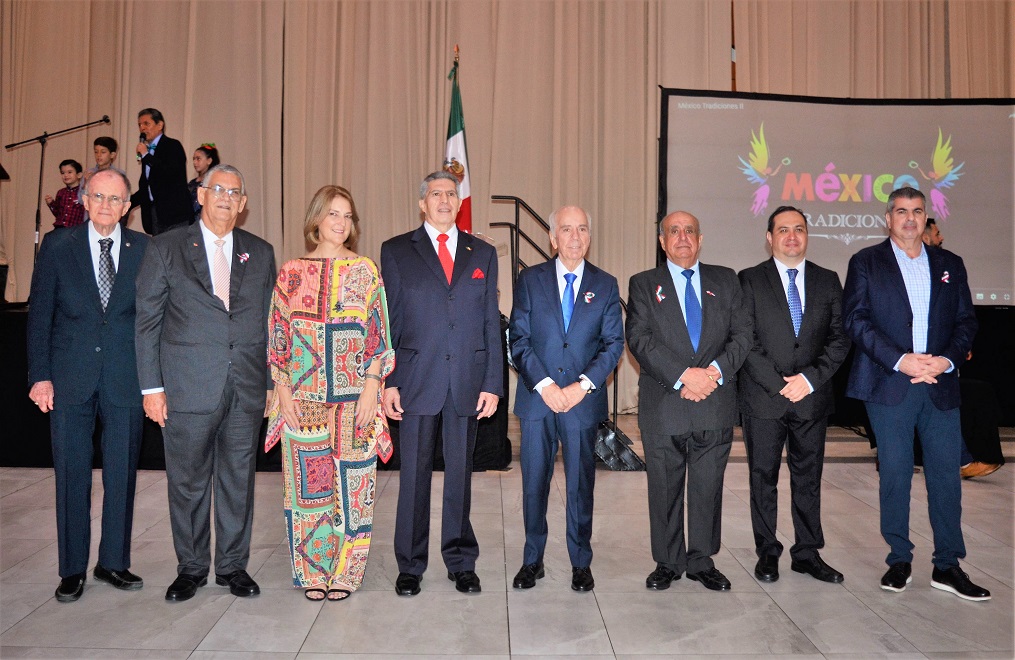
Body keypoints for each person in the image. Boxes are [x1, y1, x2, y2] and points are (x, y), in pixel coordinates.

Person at [135, 164, 276, 602]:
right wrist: (151, 388)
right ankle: (191, 568)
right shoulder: (166, 247)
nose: (226, 198)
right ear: (200, 194)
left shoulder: (262, 251)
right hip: (186, 387)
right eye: (218, 189)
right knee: (188, 482)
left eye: (235, 192)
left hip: (246, 387)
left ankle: (232, 566)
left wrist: (271, 382)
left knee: (238, 481)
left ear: (244, 203)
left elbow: (271, 322)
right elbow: (146, 322)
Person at [843, 186, 990, 601]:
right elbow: (855, 320)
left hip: (940, 383)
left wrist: (944, 361)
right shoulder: (866, 262)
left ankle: (948, 565)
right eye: (902, 211)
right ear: (887, 218)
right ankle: (899, 559)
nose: (910, 218)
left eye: (918, 211)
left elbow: (966, 322)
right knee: (895, 473)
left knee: (946, 476)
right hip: (890, 383)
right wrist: (902, 360)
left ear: (926, 218)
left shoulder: (950, 264)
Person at [27, 168, 149, 602]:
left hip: (125, 380)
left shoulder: (143, 250)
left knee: (121, 475)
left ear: (127, 207)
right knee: (71, 475)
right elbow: (40, 314)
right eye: (97, 196)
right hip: (68, 380)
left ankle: (113, 562)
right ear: (83, 198)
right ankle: (72, 569)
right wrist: (39, 375)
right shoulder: (58, 246)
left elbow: (150, 322)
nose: (105, 205)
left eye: (115, 199)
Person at [267, 185, 394, 601]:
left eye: (348, 216)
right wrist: (282, 391)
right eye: (334, 214)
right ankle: (313, 571)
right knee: (308, 489)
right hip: (303, 399)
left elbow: (378, 334)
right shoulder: (290, 272)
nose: (341, 223)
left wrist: (373, 386)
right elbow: (278, 336)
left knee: (354, 486)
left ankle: (347, 571)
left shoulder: (365, 271)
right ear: (317, 219)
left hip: (355, 398)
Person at [381, 171, 503, 596]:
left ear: (459, 201)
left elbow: (490, 321)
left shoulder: (483, 253)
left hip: (467, 381)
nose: (445, 200)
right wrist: (389, 379)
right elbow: (389, 321)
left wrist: (493, 382)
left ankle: (460, 560)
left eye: (451, 193)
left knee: (460, 476)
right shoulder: (397, 251)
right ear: (423, 203)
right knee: (412, 476)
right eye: (436, 194)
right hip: (415, 380)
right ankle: (410, 565)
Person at [626, 211, 752, 592]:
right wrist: (685, 375)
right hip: (665, 401)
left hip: (714, 401)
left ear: (700, 238)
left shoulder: (726, 280)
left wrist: (712, 374)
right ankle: (667, 562)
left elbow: (742, 336)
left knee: (707, 485)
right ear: (662, 241)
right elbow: (640, 339)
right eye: (674, 232)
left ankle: (701, 560)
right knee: (664, 484)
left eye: (690, 231)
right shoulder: (644, 284)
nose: (683, 238)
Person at [508, 206, 624, 593]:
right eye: (566, 229)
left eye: (582, 229)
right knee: (533, 484)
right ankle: (532, 561)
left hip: (582, 403)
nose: (575, 236)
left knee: (580, 485)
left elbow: (612, 345)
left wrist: (581, 387)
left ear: (589, 237)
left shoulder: (606, 285)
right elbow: (518, 339)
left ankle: (580, 562)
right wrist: (545, 386)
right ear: (553, 238)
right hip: (538, 401)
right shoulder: (530, 280)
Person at [737, 206, 850, 584]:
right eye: (782, 229)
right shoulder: (749, 280)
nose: (791, 236)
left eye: (798, 229)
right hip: (764, 398)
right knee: (762, 476)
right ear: (769, 238)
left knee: (808, 477)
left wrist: (809, 379)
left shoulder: (828, 280)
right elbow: (745, 340)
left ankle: (807, 553)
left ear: (807, 235)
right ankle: (767, 551)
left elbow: (839, 338)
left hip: (812, 398)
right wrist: (779, 382)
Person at [129, 107, 193, 235]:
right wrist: (127, 203)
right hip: (155, 215)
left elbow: (170, 173)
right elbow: (147, 186)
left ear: (160, 125)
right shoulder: (149, 152)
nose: (142, 128)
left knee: (175, 253)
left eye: (146, 123)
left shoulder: (173, 145)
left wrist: (146, 156)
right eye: (139, 125)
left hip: (175, 216)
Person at [81, 137, 120, 225]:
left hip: (110, 218)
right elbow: (80, 200)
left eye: (103, 152)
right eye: (96, 152)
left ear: (112, 155)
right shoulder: (89, 173)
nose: (98, 155)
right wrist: (85, 184)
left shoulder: (119, 175)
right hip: (90, 221)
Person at [44, 159, 85, 230]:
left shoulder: (83, 192)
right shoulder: (61, 192)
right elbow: (58, 214)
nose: (66, 175)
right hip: (59, 229)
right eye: (63, 173)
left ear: (79, 175)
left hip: (75, 229)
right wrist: (51, 204)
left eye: (69, 172)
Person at [188, 143, 220, 223]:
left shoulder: (213, 182)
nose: (195, 162)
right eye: (194, 159)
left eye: (198, 159)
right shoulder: (192, 182)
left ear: (209, 160)